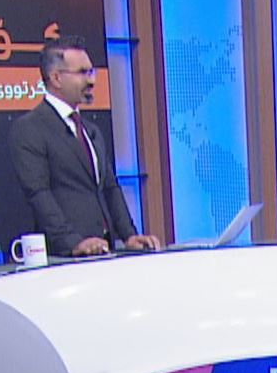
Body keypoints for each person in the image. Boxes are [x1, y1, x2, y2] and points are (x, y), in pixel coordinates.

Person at [9, 36, 162, 257]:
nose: (92, 81)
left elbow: (110, 188)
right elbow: (39, 194)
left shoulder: (91, 131)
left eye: (91, 72)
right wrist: (73, 243)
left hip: (103, 252)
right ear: (56, 78)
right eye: (82, 73)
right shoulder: (30, 129)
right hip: (63, 258)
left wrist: (129, 235)